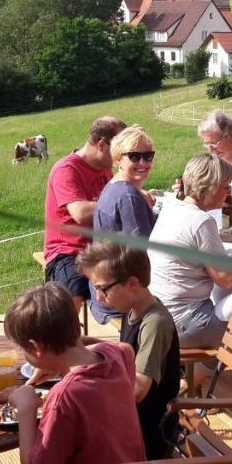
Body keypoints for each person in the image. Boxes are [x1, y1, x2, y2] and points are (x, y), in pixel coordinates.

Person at [4, 283, 144, 464]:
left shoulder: (65, 397)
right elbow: (125, 348)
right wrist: (65, 362)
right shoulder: (118, 355)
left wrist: (25, 411)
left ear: (35, 347)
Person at [148, 153, 232, 350]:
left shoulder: (172, 207)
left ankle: (196, 374)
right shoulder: (201, 221)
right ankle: (210, 375)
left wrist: (229, 271)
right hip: (184, 322)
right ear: (210, 186)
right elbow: (224, 279)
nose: (229, 194)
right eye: (226, 187)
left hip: (158, 312)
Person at [76, 241, 179, 459]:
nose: (99, 297)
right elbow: (127, 351)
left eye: (103, 288)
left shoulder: (155, 323)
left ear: (132, 283)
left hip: (146, 435)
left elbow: (138, 390)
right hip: (129, 422)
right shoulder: (132, 308)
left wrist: (89, 397)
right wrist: (78, 345)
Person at [43, 116, 126, 313]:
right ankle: (63, 341)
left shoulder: (104, 169)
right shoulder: (66, 170)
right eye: (119, 151)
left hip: (102, 248)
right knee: (73, 298)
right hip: (69, 251)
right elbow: (80, 213)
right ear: (102, 145)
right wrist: (122, 201)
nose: (121, 157)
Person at [88, 125, 157, 323]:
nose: (143, 162)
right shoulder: (128, 197)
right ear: (118, 159)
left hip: (104, 288)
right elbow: (144, 255)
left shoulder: (114, 186)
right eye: (134, 156)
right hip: (118, 300)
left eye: (148, 156)